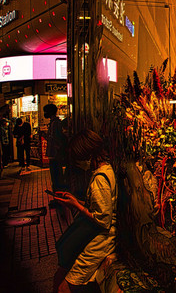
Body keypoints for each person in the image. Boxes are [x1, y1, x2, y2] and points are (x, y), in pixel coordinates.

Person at [52, 130, 117, 293]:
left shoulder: (100, 179)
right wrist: (74, 201)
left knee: (64, 287)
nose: (77, 163)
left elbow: (103, 219)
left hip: (101, 240)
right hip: (101, 237)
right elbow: (99, 206)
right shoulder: (107, 170)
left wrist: (76, 205)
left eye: (78, 159)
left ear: (87, 155)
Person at [44, 104, 68, 192]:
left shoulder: (55, 123)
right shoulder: (55, 123)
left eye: (46, 111)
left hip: (55, 155)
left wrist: (57, 152)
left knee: (56, 176)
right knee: (56, 176)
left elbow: (56, 139)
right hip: (55, 154)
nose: (45, 113)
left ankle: (58, 193)